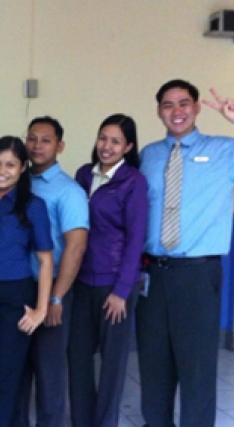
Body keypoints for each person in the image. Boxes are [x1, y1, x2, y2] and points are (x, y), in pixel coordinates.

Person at [137, 79, 234, 427]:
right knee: (154, 365)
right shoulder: (148, 155)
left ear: (197, 108)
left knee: (196, 368)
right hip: (151, 274)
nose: (177, 111)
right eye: (168, 105)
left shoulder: (224, 151)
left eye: (184, 103)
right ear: (159, 111)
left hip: (198, 275)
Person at [68, 114, 148, 427]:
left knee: (112, 364)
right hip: (81, 281)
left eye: (116, 141)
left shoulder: (133, 181)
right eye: (103, 138)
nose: (107, 146)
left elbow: (135, 237)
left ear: (128, 146)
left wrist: (121, 291)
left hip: (114, 285)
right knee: (77, 357)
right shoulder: (84, 174)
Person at [0, 136, 54, 427]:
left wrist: (41, 309)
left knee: (3, 379)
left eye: (10, 164)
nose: (2, 170)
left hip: (14, 298)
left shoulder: (33, 206)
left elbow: (45, 260)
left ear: (22, 169)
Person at [15, 116, 89, 427]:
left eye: (45, 140)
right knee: (17, 369)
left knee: (49, 372)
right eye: (32, 138)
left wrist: (56, 298)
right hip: (17, 289)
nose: (37, 145)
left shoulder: (68, 191)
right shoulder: (16, 180)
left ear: (59, 146)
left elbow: (76, 247)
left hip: (52, 291)